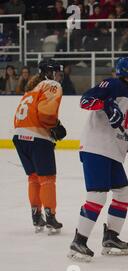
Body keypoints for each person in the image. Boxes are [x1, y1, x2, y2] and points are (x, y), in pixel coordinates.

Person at [68, 57, 128, 262]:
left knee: (124, 194)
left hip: (113, 151)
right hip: (96, 147)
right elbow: (85, 100)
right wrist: (106, 105)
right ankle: (79, 241)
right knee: (97, 196)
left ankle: (111, 237)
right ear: (126, 73)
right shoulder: (112, 84)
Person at [12, 59, 66, 234]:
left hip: (19, 136)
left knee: (33, 178)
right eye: (57, 72)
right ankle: (50, 217)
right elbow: (46, 113)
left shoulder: (31, 89)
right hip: (37, 138)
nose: (59, 76)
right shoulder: (51, 85)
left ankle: (36, 216)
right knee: (47, 178)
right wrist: (55, 126)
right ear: (49, 73)